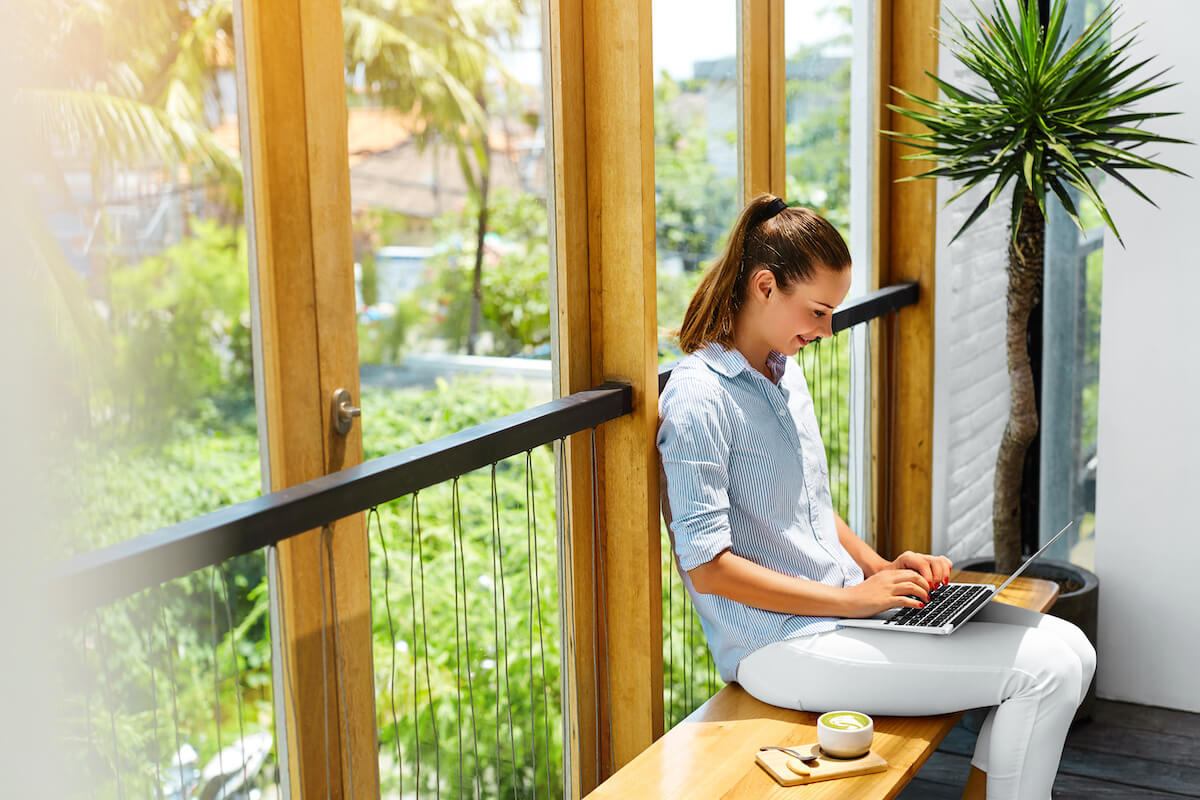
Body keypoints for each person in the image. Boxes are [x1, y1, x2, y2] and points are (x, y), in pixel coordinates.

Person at [656, 194, 1095, 800]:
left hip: (839, 614)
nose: (826, 328)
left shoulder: (784, 371)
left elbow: (806, 503)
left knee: (1071, 648)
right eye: (817, 310)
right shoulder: (698, 396)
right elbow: (707, 568)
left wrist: (880, 570)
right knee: (1042, 672)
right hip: (779, 646)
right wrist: (855, 601)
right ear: (763, 286)